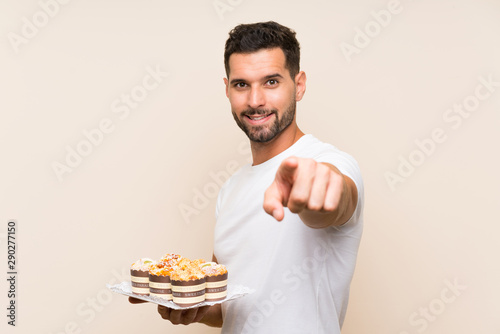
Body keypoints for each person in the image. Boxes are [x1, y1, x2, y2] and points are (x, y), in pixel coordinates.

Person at [130, 21, 364, 333]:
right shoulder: (229, 191)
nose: (255, 100)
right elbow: (228, 309)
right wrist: (194, 308)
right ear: (227, 89)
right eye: (242, 85)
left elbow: (337, 199)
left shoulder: (331, 163)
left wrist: (322, 188)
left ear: (300, 84)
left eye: (271, 82)